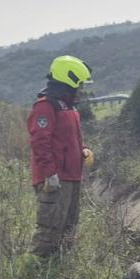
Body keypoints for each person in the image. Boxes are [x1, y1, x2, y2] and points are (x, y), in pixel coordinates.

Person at [28, 55, 95, 258]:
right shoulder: (45, 106)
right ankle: (35, 271)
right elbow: (40, 143)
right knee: (50, 228)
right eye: (80, 84)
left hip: (72, 177)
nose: (81, 89)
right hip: (55, 179)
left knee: (68, 227)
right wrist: (50, 174)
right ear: (69, 80)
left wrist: (83, 149)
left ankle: (59, 270)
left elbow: (69, 137)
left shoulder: (68, 107)